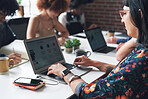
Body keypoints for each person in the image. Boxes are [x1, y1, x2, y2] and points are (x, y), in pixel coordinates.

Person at [47, 0, 148, 98]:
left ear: (139, 15)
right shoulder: (142, 50)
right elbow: (124, 73)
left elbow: (91, 93)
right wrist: (94, 63)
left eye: (124, 13)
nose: (122, 20)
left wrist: (64, 72)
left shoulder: (143, 57)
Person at [0, 0, 22, 65]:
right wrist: (4, 58)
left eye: (6, 15)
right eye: (1, 14)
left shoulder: (3, 25)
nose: (4, 19)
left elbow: (12, 40)